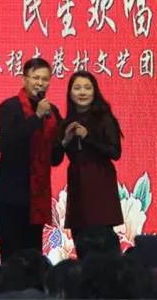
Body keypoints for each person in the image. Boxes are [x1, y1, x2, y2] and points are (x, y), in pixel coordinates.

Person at [0, 58, 65, 262]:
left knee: (34, 256)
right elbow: (9, 146)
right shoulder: (9, 107)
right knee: (11, 254)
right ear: (24, 79)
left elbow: (55, 159)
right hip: (11, 194)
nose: (40, 83)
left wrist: (64, 140)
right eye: (35, 77)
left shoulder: (52, 113)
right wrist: (36, 117)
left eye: (45, 79)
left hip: (37, 197)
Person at [59, 71, 124, 242]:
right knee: (80, 236)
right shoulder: (67, 122)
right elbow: (57, 156)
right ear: (70, 93)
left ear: (95, 91)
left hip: (100, 180)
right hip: (77, 181)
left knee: (101, 238)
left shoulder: (104, 118)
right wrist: (65, 140)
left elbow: (115, 152)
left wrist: (88, 137)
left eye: (87, 88)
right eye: (77, 88)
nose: (82, 92)